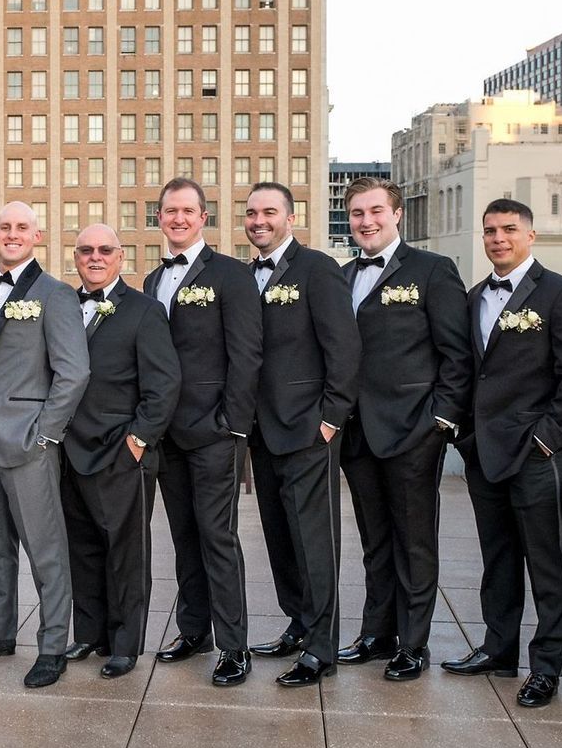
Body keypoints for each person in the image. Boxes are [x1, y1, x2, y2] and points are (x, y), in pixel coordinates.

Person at [442, 199, 562, 708]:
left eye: (509, 229)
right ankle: (499, 649)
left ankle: (547, 668)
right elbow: (470, 371)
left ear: (531, 235)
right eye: (490, 231)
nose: (498, 238)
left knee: (548, 564)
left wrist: (548, 438)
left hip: (538, 454)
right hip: (485, 453)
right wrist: (464, 436)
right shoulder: (473, 298)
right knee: (499, 559)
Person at [0, 201, 90, 688]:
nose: (12, 234)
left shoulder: (55, 294)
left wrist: (45, 433)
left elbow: (74, 372)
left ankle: (52, 646)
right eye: (4, 227)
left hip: (29, 445)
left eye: (22, 227)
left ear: (36, 236)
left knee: (45, 551)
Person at [338, 177, 472, 681]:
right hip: (358, 432)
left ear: (397, 215)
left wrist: (441, 420)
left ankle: (413, 643)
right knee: (375, 540)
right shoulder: (342, 275)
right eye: (357, 213)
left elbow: (457, 353)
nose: (366, 221)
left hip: (414, 430)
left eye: (375, 211)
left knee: (414, 542)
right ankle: (377, 633)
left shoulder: (432, 270)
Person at [141, 178, 263, 685]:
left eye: (187, 211)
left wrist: (232, 424)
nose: (178, 219)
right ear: (160, 217)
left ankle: (234, 646)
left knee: (218, 537)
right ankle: (194, 630)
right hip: (166, 433)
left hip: (214, 431)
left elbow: (247, 354)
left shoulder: (231, 275)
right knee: (183, 536)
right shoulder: (153, 280)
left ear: (203, 218)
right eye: (170, 211)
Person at [244, 182, 361, 687]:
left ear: (290, 218)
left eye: (269, 211)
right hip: (260, 430)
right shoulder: (245, 275)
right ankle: (298, 623)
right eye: (252, 213)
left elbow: (344, 348)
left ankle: (321, 647)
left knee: (314, 542)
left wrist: (331, 418)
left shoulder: (317, 269)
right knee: (280, 538)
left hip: (309, 430)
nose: (259, 220)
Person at [61, 224, 180, 679]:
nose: (95, 257)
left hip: (121, 452)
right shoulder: (64, 306)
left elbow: (163, 384)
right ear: (76, 257)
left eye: (104, 250)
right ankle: (91, 634)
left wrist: (137, 442)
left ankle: (125, 644)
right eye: (86, 250)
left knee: (126, 553)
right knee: (83, 548)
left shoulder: (145, 311)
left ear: (120, 257)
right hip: (71, 451)